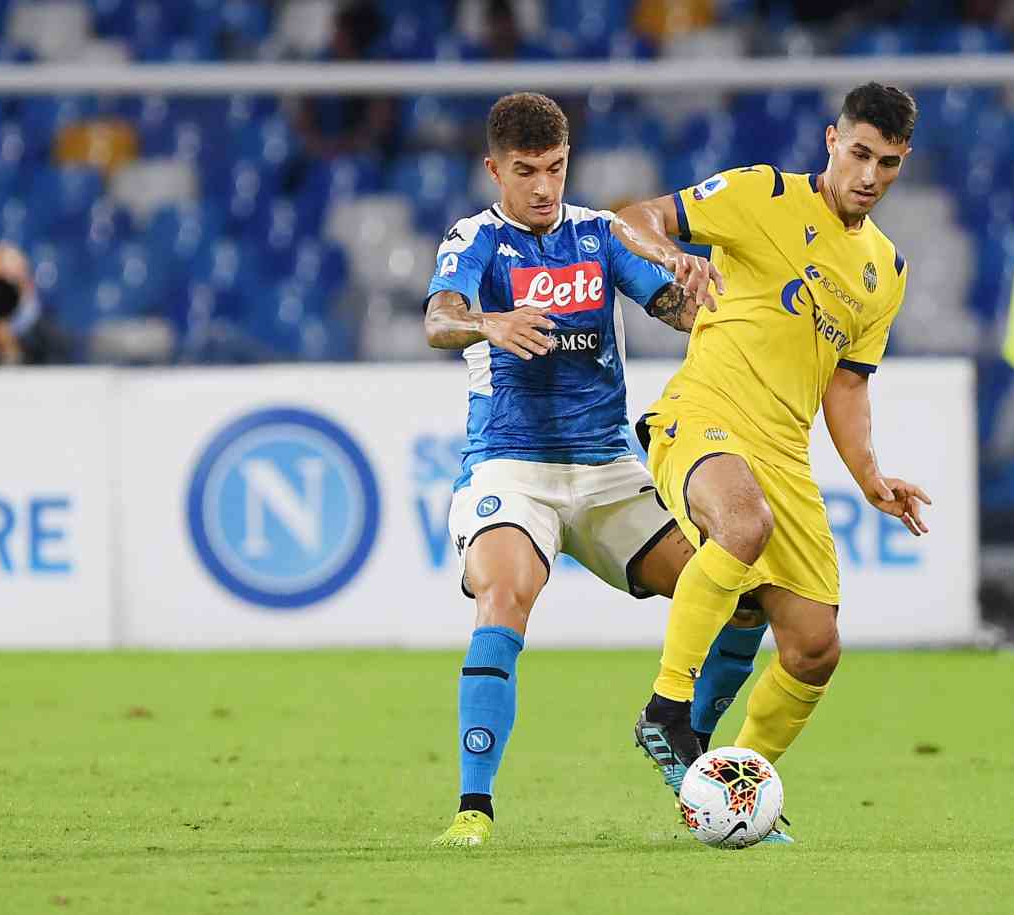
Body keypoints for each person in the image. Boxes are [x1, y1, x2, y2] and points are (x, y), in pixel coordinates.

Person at [422, 92, 767, 849]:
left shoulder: (599, 234)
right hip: (511, 468)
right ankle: (473, 808)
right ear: (494, 170)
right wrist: (491, 321)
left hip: (609, 469)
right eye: (526, 171)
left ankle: (687, 759)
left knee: (743, 596)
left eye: (555, 168)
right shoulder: (475, 239)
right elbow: (439, 318)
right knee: (505, 593)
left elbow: (674, 306)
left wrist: (703, 296)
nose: (544, 186)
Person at [610, 83, 931, 821]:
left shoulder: (885, 270)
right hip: (702, 416)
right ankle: (668, 710)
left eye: (887, 163)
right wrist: (670, 257)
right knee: (742, 525)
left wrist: (872, 476)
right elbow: (636, 217)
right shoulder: (760, 193)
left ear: (902, 160)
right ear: (830, 140)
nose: (869, 176)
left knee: (815, 647)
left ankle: (735, 784)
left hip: (784, 453)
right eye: (858, 154)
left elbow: (847, 390)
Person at [290, 1, 397, 161]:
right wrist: (320, 147)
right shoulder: (320, 64)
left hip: (360, 156)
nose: (334, 37)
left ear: (355, 37)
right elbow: (303, 118)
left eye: (340, 32)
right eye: (335, 30)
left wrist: (343, 148)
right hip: (319, 152)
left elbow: (377, 126)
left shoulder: (376, 68)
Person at [0, 243, 71, 367]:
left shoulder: (53, 338)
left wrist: (10, 351)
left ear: (28, 285)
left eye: (8, 287)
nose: (0, 297)